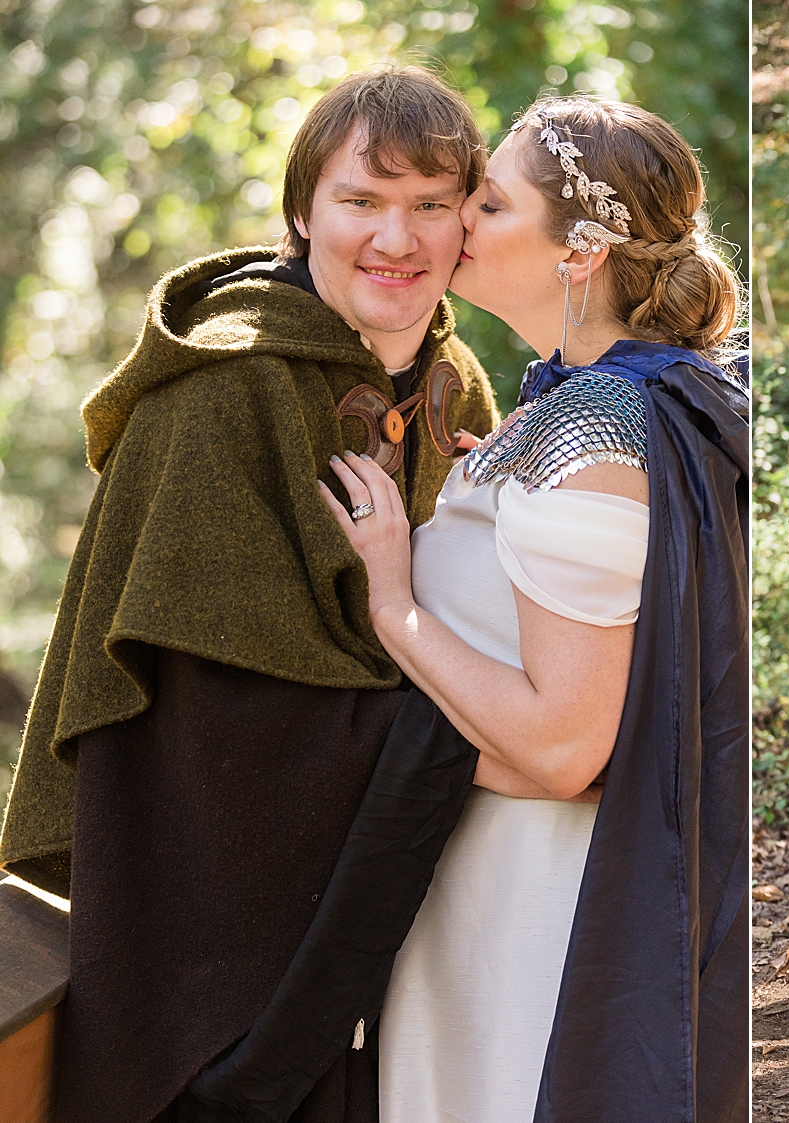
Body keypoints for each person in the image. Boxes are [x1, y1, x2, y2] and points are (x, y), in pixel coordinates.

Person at [0, 66, 499, 1120]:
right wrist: (466, 715)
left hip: (426, 918)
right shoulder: (222, 389)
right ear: (302, 212)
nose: (395, 242)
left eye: (429, 206)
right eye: (361, 201)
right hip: (212, 918)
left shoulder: (460, 384)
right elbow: (208, 721)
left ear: (470, 223)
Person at [317, 96, 750, 1122]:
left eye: (491, 203)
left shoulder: (598, 427)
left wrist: (393, 602)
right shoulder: (579, 406)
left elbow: (565, 750)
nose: (459, 219)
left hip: (531, 908)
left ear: (581, 254)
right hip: (483, 881)